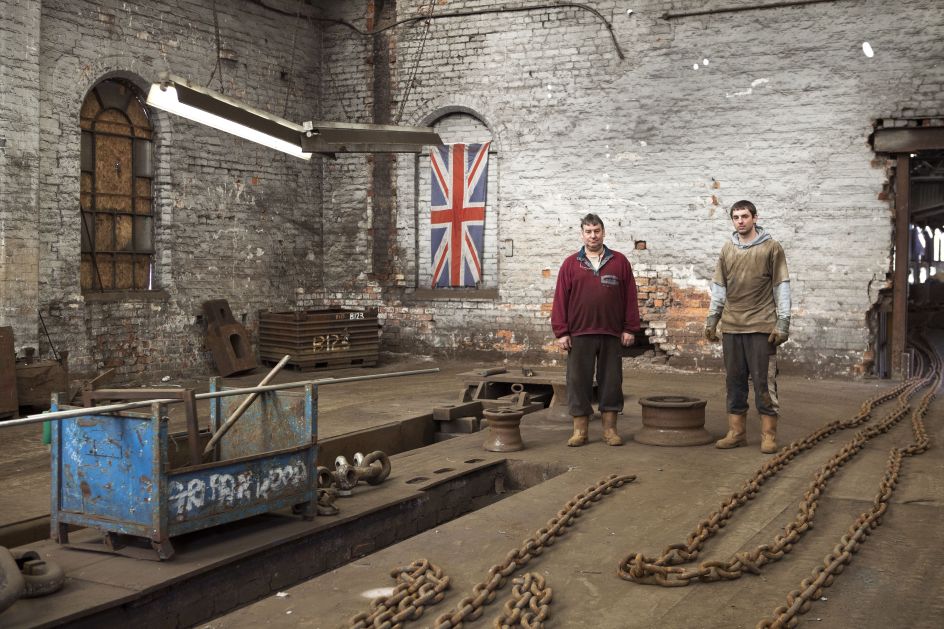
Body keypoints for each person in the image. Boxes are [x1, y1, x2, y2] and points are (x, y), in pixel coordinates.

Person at [704, 200, 791, 454]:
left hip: (762, 327)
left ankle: (768, 435)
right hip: (732, 327)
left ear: (755, 217)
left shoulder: (771, 249)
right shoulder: (727, 250)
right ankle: (737, 433)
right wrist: (713, 319)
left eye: (744, 216)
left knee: (765, 383)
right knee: (735, 382)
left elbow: (781, 286)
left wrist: (783, 322)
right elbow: (719, 288)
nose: (740, 221)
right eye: (735, 217)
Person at [551, 213, 641, 447]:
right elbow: (560, 299)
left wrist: (630, 328)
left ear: (604, 232)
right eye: (588, 231)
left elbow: (630, 297)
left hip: (611, 334)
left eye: (597, 231)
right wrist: (561, 332)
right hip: (579, 334)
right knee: (578, 381)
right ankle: (580, 431)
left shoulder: (619, 262)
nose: (593, 235)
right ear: (582, 234)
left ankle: (609, 430)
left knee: (611, 381)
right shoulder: (571, 264)